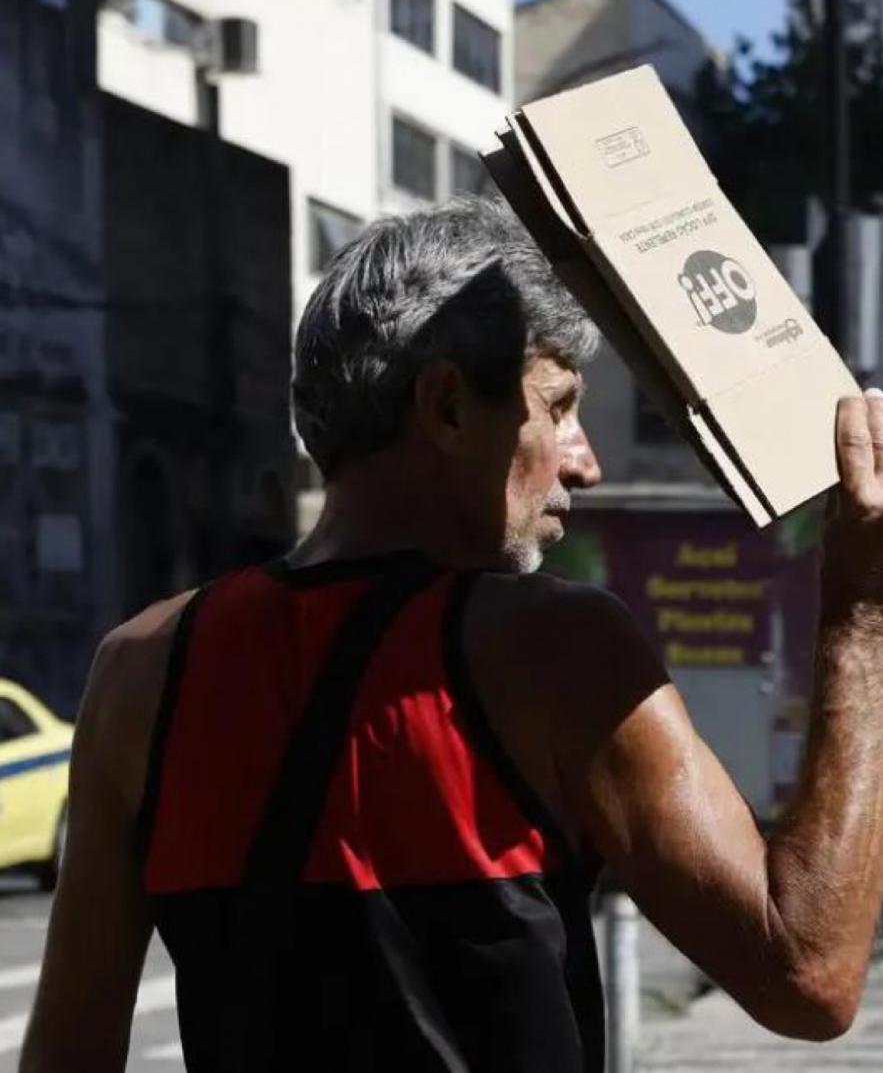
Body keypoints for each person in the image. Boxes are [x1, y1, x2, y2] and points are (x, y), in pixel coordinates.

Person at [19, 196, 883, 1072]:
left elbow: (66, 1055)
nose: (584, 461)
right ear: (447, 407)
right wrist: (861, 615)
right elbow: (805, 973)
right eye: (558, 406)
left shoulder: (142, 670)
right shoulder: (555, 652)